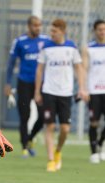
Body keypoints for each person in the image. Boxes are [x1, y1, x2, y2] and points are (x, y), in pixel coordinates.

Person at [34, 19, 89, 172]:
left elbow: (79, 69)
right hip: (49, 92)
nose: (52, 34)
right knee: (49, 126)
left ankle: (58, 151)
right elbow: (39, 70)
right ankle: (51, 160)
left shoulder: (71, 47)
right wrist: (37, 91)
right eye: (51, 31)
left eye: (55, 31)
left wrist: (82, 88)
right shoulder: (46, 47)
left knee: (65, 129)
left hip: (66, 93)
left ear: (63, 31)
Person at [5, 16, 49, 158]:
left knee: (44, 115)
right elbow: (11, 63)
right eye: (35, 25)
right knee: (25, 116)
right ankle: (24, 146)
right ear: (29, 26)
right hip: (24, 83)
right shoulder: (19, 42)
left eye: (39, 25)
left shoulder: (46, 40)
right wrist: (8, 83)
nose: (38, 28)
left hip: (41, 84)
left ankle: (30, 139)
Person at [82, 19, 105, 164]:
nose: (102, 32)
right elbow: (83, 69)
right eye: (100, 29)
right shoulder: (88, 48)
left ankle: (101, 143)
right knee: (94, 122)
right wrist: (84, 89)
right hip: (94, 91)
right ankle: (93, 152)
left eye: (104, 29)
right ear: (94, 31)